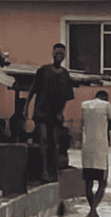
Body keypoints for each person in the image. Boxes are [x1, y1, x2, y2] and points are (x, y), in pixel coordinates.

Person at [23, 43, 75, 183]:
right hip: (41, 112)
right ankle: (44, 171)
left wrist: (60, 112)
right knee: (43, 140)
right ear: (52, 54)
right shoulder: (43, 71)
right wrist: (26, 108)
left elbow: (66, 97)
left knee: (54, 142)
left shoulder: (65, 74)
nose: (59, 56)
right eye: (57, 53)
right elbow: (33, 90)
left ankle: (53, 171)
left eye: (61, 54)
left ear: (64, 56)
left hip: (55, 114)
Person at [81, 90, 111, 217]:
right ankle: (93, 211)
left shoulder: (84, 105)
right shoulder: (106, 105)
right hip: (101, 147)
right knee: (103, 182)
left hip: (87, 147)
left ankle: (93, 212)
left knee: (88, 182)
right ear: (105, 98)